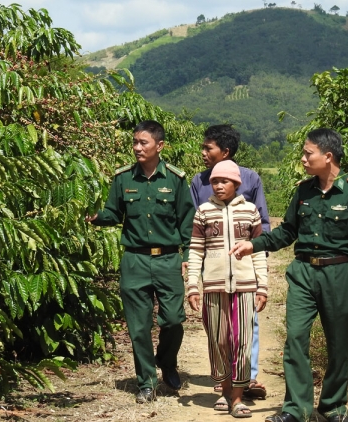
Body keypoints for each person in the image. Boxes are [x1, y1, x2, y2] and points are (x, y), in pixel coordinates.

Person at [229, 128, 348, 422]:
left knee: (338, 342)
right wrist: (253, 244)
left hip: (339, 273)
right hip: (302, 273)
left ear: (327, 156)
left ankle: (333, 406)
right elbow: (288, 231)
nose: (302, 158)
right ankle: (296, 409)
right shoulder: (303, 191)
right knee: (296, 338)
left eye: (307, 153)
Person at [86, 120, 195, 403]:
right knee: (138, 326)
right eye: (135, 142)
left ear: (159, 146)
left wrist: (188, 258)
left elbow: (187, 222)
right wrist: (95, 217)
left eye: (143, 143)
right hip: (134, 260)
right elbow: (114, 212)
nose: (137, 147)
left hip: (168, 259)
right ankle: (146, 381)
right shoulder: (123, 178)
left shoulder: (175, 179)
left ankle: (167, 361)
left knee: (172, 319)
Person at [189, 124, 270, 399]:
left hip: (244, 273)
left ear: (225, 151)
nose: (202, 152)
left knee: (246, 328)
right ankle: (225, 381)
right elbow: (194, 233)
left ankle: (247, 378)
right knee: (218, 331)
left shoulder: (251, 179)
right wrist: (194, 274)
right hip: (214, 274)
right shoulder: (198, 182)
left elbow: (262, 224)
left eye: (207, 148)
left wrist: (261, 275)